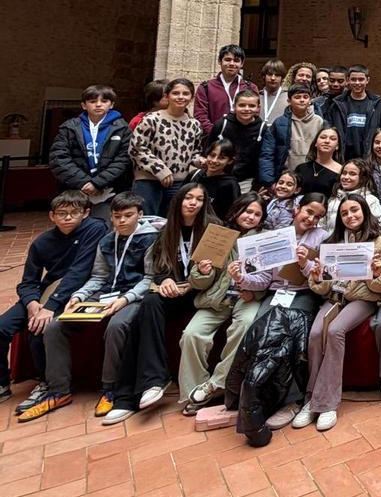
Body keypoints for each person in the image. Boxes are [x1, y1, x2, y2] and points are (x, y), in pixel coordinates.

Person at [30, 192, 155, 421]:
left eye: (128, 216)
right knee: (55, 327)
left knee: (117, 326)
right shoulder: (107, 240)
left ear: (140, 215)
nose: (122, 221)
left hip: (134, 296)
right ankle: (59, 390)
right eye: (117, 216)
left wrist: (125, 299)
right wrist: (79, 296)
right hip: (104, 293)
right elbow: (98, 276)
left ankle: (110, 388)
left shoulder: (151, 239)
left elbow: (150, 278)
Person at [105, 183, 220, 423]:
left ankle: (128, 395)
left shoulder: (214, 230)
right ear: (178, 200)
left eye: (199, 199)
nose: (193, 203)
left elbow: (218, 275)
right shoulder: (166, 230)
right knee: (149, 303)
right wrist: (165, 279)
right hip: (175, 293)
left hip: (200, 294)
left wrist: (193, 283)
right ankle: (151, 383)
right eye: (188, 197)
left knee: (144, 311)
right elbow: (159, 267)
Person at [0, 191, 106, 411]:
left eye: (74, 213)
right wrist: (32, 303)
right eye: (62, 213)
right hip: (44, 293)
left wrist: (49, 307)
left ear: (85, 213)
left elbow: (79, 271)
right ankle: (2, 382)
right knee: (2, 327)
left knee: (41, 328)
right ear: (51, 216)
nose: (67, 218)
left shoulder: (94, 229)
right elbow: (27, 282)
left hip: (75, 292)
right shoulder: (41, 243)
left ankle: (45, 383)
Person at [294, 193, 381, 432]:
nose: (350, 216)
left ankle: (327, 404)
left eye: (355, 210)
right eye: (344, 213)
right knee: (316, 334)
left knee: (336, 331)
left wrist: (376, 273)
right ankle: (311, 399)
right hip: (333, 298)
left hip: (362, 299)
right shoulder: (331, 242)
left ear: (365, 212)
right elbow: (322, 287)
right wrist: (317, 277)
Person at [231, 195, 329, 430]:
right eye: (308, 211)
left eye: (317, 216)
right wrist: (240, 278)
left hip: (304, 294)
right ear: (297, 209)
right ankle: (261, 394)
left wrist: (305, 263)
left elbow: (322, 279)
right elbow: (264, 279)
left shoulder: (322, 237)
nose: (312, 219)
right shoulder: (275, 235)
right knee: (261, 334)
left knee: (291, 337)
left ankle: (292, 400)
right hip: (275, 294)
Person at [178, 193, 265, 416]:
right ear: (236, 210)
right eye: (247, 211)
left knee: (245, 325)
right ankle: (194, 392)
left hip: (247, 298)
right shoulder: (217, 235)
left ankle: (216, 384)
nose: (251, 217)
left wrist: (255, 294)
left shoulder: (264, 239)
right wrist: (204, 272)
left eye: (257, 214)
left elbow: (271, 278)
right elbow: (196, 281)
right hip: (216, 299)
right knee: (191, 334)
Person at [49, 83, 132, 220]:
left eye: (104, 101)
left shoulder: (123, 129)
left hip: (109, 190)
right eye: (93, 101)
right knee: (73, 228)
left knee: (105, 228)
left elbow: (124, 159)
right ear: (84, 105)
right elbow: (58, 158)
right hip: (75, 190)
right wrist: (84, 183)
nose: (98, 105)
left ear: (111, 105)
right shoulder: (69, 128)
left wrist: (98, 183)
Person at [129, 77, 204, 216]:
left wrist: (201, 161)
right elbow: (136, 149)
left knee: (170, 224)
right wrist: (161, 170)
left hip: (178, 182)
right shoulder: (151, 119)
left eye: (186, 93)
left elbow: (194, 152)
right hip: (149, 181)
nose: (181, 97)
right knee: (146, 222)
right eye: (176, 93)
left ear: (192, 97)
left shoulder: (194, 125)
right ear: (167, 96)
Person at [259, 84, 323, 186]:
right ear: (289, 101)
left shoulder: (320, 122)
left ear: (310, 100)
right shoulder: (279, 123)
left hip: (312, 176)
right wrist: (269, 182)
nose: (302, 100)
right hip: (286, 176)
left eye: (305, 97)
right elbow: (267, 154)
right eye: (297, 97)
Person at [206, 90, 267, 192]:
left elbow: (263, 158)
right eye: (242, 105)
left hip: (246, 181)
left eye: (251, 106)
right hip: (218, 177)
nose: (246, 109)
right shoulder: (221, 125)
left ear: (258, 108)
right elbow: (208, 150)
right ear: (234, 107)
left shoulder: (262, 129)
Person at [194, 44, 258, 136]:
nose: (232, 63)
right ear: (220, 61)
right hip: (214, 142)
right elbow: (200, 116)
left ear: (242, 64)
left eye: (236, 61)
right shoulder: (206, 87)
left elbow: (255, 113)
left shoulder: (250, 88)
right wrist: (217, 133)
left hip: (243, 139)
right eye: (228, 60)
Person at [326, 64, 381, 162]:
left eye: (361, 79)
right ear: (348, 80)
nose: (357, 83)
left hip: (369, 157)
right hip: (342, 158)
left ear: (367, 80)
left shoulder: (378, 105)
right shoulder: (336, 105)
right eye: (353, 79)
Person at [325, 157, 381, 232]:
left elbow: (379, 227)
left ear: (362, 179)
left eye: (352, 174)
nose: (346, 177)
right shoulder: (333, 199)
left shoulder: (370, 200)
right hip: (333, 243)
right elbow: (322, 225)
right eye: (344, 173)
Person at [184, 138, 241, 218]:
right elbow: (178, 200)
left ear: (230, 161)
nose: (214, 160)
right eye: (212, 155)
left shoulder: (230, 185)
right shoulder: (194, 174)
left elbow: (229, 215)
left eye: (221, 158)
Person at [294, 126, 344, 197]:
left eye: (332, 139)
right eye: (323, 137)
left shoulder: (341, 172)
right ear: (316, 143)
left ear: (337, 146)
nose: (327, 141)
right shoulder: (301, 168)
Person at [258, 59, 288, 124]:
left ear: (282, 78)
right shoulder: (256, 97)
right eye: (269, 74)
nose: (273, 78)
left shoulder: (288, 97)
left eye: (277, 75)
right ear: (264, 76)